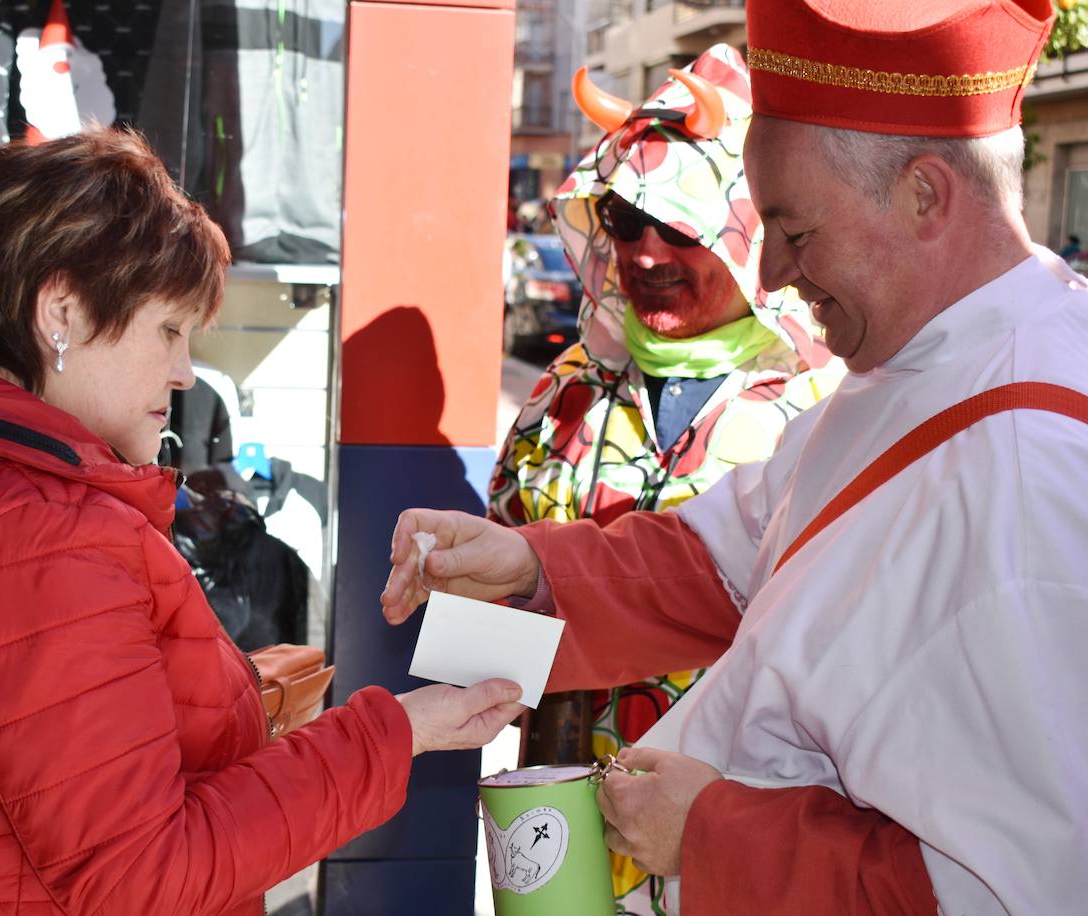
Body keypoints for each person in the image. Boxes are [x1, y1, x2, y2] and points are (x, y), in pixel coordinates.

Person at [384, 1, 1088, 912]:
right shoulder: (916, 365)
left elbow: (1018, 891)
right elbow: (726, 557)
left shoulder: (1032, 476)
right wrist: (527, 564)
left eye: (795, 233)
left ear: (926, 195)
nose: (773, 276)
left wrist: (710, 832)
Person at [0, 127, 524, 916]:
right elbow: (140, 878)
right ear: (61, 312)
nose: (184, 372)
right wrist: (392, 735)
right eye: (169, 330)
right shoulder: (38, 532)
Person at [490, 45, 841, 910]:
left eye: (679, 227)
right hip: (560, 834)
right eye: (623, 218)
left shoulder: (825, 406)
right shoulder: (565, 390)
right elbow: (489, 616)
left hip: (741, 840)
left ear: (745, 227)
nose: (645, 254)